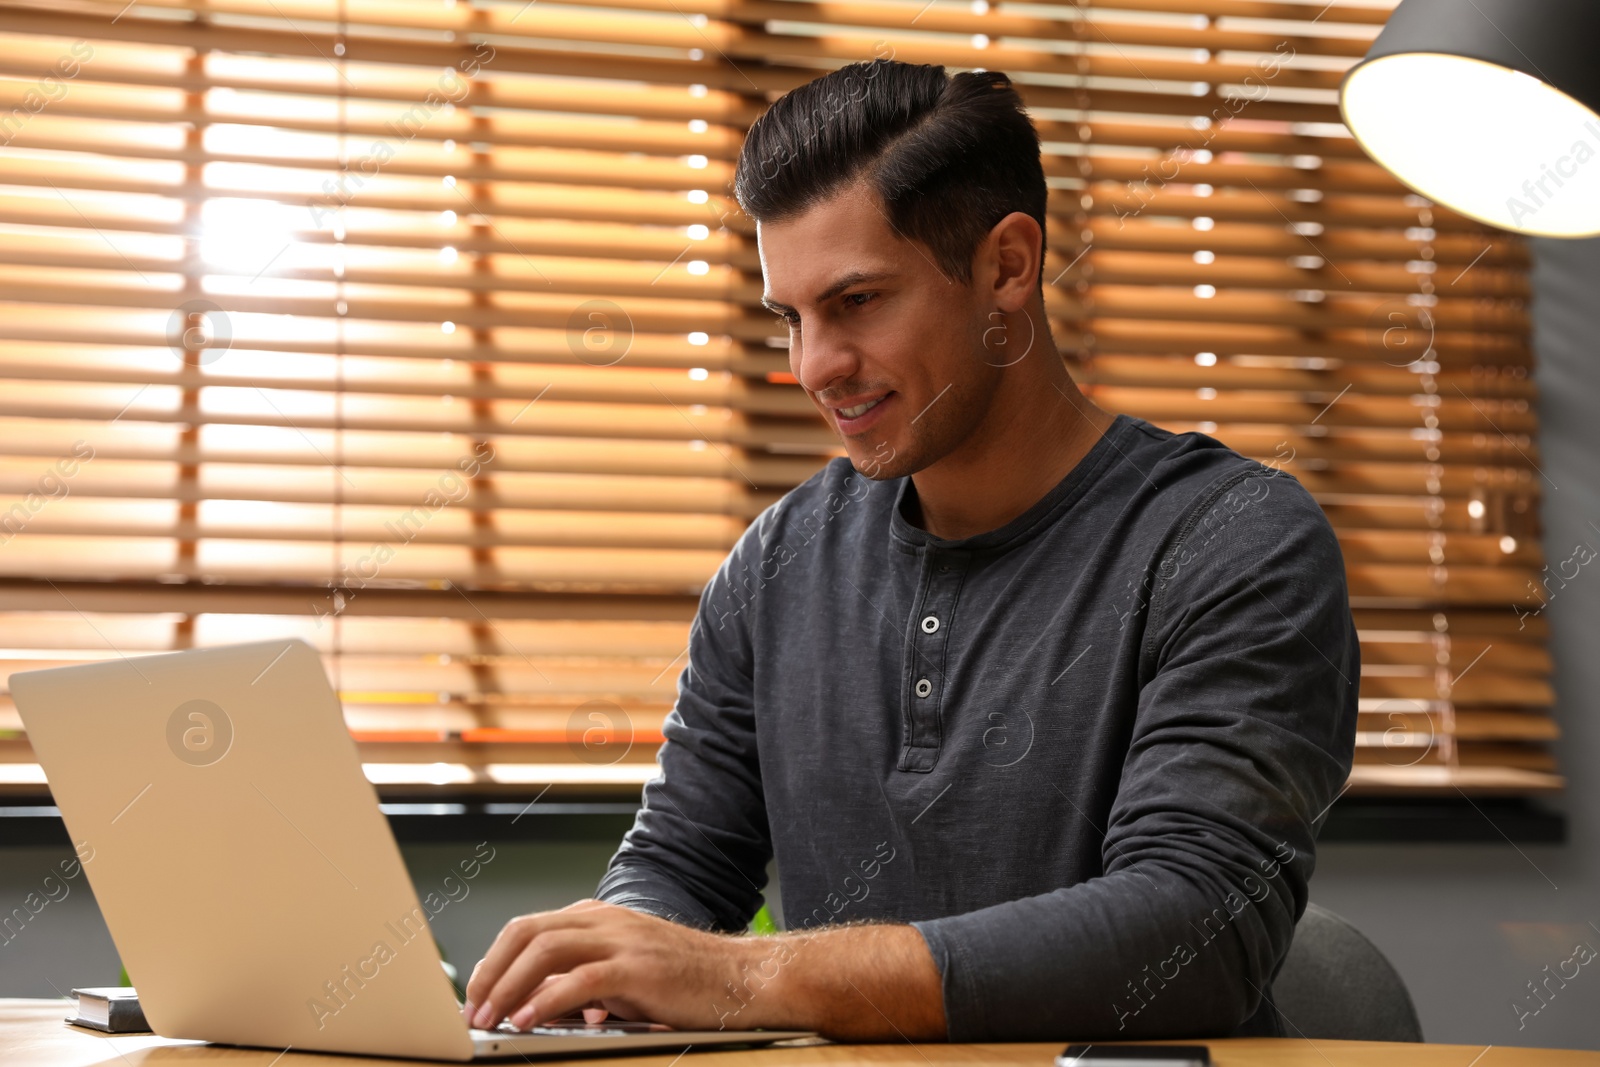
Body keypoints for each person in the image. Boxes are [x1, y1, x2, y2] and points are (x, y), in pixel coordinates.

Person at [462, 58, 1358, 1043]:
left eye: (857, 301)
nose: (813, 367)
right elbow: (678, 867)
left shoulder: (1230, 540)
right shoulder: (776, 564)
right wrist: (599, 977)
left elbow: (1193, 934)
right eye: (790, 318)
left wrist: (748, 972)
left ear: (1007, 267)